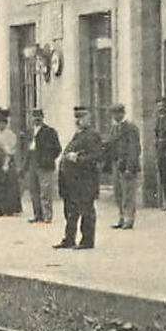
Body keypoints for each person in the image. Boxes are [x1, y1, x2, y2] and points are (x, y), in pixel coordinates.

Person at [55, 106, 103, 249]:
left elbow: (97, 156)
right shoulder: (78, 135)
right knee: (71, 211)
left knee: (86, 211)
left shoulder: (92, 135)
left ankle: (87, 241)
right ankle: (69, 239)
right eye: (77, 118)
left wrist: (78, 158)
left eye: (82, 118)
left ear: (88, 119)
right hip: (72, 182)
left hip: (85, 180)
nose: (79, 121)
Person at [106, 103, 142, 230]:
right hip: (116, 164)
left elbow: (134, 149)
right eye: (113, 114)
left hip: (126, 165)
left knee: (128, 193)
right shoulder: (114, 128)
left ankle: (129, 219)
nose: (115, 116)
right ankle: (121, 217)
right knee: (118, 193)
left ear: (122, 113)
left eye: (117, 113)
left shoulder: (130, 128)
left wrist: (129, 167)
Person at [0, 108, 23, 217]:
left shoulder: (10, 134)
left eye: (0, 123)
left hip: (8, 159)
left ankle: (10, 208)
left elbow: (11, 150)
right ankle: (0, 208)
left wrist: (6, 163)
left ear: (5, 123)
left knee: (9, 184)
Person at [28, 109, 61, 224]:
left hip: (45, 165)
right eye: (34, 117)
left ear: (42, 118)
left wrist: (48, 159)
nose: (36, 119)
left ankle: (47, 215)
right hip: (32, 163)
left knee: (45, 191)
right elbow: (25, 150)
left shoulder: (50, 132)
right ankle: (37, 215)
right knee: (34, 190)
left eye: (38, 117)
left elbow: (57, 149)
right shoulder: (29, 132)